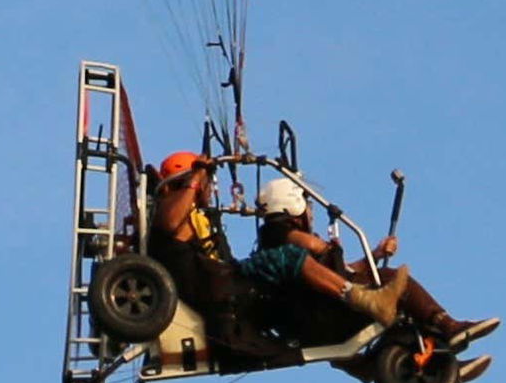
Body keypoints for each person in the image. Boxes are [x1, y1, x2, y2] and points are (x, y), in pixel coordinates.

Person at [147, 152, 408, 356]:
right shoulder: (169, 215)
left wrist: (373, 254)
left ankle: (357, 356)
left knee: (298, 291)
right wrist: (197, 176)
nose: (209, 187)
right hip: (225, 289)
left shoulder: (194, 218)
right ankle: (363, 300)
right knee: (290, 259)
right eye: (206, 183)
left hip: (228, 284)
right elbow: (170, 223)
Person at [256, 177, 500, 381]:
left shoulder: (286, 248)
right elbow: (313, 254)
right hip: (318, 313)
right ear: (293, 204)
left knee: (396, 312)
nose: (311, 211)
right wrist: (326, 247)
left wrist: (376, 254)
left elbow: (338, 274)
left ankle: (441, 366)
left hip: (316, 311)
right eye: (307, 204)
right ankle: (448, 325)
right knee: (392, 280)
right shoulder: (279, 236)